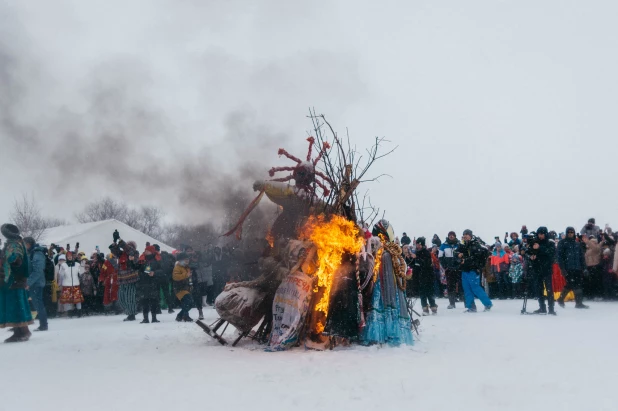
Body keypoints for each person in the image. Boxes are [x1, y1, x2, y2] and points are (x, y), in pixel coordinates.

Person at [362, 220, 413, 346]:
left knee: (383, 305)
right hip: (383, 285)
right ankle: (386, 331)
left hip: (387, 286)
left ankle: (386, 332)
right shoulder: (382, 251)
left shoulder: (389, 252)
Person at [0, 224, 34, 342]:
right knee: (16, 305)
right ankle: (19, 331)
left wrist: (5, 257)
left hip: (14, 279)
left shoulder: (14, 244)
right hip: (14, 280)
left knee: (16, 305)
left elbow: (16, 260)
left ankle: (23, 332)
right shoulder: (15, 242)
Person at [457, 229, 492, 312]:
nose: (465, 236)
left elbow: (475, 257)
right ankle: (471, 307)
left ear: (470, 235)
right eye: (464, 234)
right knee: (467, 289)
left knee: (476, 288)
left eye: (467, 234)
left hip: (473, 270)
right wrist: (458, 254)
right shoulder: (463, 244)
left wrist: (465, 260)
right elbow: (456, 252)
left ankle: (487, 304)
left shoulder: (475, 244)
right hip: (464, 270)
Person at [557, 227, 588, 308]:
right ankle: (577, 303)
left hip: (577, 268)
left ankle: (576, 302)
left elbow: (581, 257)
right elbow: (559, 257)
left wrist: (584, 268)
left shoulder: (577, 244)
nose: (570, 233)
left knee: (574, 284)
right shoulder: (562, 243)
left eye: (572, 232)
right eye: (569, 232)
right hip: (568, 268)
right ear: (566, 233)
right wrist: (562, 269)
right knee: (572, 284)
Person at [109, 236, 139, 322]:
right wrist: (115, 242)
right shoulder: (121, 254)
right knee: (121, 298)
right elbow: (114, 251)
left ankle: (131, 314)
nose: (129, 247)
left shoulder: (134, 252)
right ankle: (129, 312)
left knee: (130, 298)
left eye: (130, 246)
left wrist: (121, 240)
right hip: (122, 279)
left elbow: (129, 250)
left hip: (131, 279)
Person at [527, 227, 556, 315]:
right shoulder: (535, 241)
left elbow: (551, 253)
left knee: (549, 289)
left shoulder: (550, 242)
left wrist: (540, 248)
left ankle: (551, 308)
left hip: (547, 268)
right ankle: (542, 307)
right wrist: (531, 257)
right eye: (539, 234)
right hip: (537, 268)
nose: (540, 236)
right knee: (538, 289)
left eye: (542, 234)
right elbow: (529, 252)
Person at [23, 237, 48, 331]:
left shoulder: (37, 253)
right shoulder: (30, 253)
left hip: (36, 283)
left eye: (24, 244)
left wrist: (28, 282)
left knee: (38, 303)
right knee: (34, 303)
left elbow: (38, 271)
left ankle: (43, 324)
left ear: (29, 244)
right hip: (32, 283)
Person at [136, 245, 162, 323]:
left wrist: (154, 273)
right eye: (145, 250)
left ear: (152, 251)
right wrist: (132, 261)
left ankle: (154, 318)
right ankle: (145, 318)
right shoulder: (142, 259)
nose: (145, 252)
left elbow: (162, 270)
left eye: (147, 251)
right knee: (145, 301)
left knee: (154, 301)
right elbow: (136, 267)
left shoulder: (157, 259)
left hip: (153, 283)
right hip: (144, 283)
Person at [412, 237, 437, 315]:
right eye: (417, 244)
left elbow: (426, 264)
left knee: (429, 293)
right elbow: (415, 265)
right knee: (422, 293)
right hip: (420, 277)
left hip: (428, 276)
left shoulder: (426, 252)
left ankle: (433, 307)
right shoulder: (416, 252)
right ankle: (425, 309)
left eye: (419, 244)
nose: (418, 246)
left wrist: (417, 258)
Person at [58, 251, 85, 317]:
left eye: (70, 256)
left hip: (75, 283)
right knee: (68, 300)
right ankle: (70, 312)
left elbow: (81, 272)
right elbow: (61, 274)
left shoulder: (77, 264)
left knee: (78, 299)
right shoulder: (63, 265)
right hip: (67, 284)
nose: (69, 257)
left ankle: (79, 312)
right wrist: (63, 270)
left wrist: (82, 265)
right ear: (66, 257)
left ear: (72, 257)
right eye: (68, 256)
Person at [438, 231, 461, 309]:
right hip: (449, 268)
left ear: (455, 236)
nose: (451, 236)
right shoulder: (443, 245)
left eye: (452, 235)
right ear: (448, 236)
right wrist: (445, 266)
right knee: (450, 286)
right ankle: (452, 303)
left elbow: (462, 254)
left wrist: (459, 264)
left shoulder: (459, 244)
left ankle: (465, 302)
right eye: (450, 235)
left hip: (458, 268)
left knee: (461, 285)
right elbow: (440, 256)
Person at [172, 253, 195, 322]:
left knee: (189, 303)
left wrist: (191, 284)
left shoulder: (187, 267)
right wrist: (186, 275)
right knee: (188, 301)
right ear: (180, 260)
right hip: (179, 288)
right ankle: (185, 315)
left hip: (186, 288)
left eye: (188, 259)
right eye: (185, 259)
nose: (187, 261)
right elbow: (175, 277)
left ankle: (180, 315)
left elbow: (189, 277)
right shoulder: (177, 267)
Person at [156, 245, 175, 314]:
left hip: (157, 278)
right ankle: (170, 308)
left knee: (157, 293)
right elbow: (171, 268)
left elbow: (155, 267)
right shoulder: (169, 258)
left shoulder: (157, 257)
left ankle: (158, 309)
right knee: (167, 293)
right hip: (166, 278)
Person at [583, 234, 603, 299]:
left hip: (595, 266)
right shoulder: (587, 249)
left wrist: (588, 241)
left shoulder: (597, 248)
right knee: (589, 282)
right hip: (589, 267)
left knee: (596, 282)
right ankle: (590, 295)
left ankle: (597, 295)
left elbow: (594, 247)